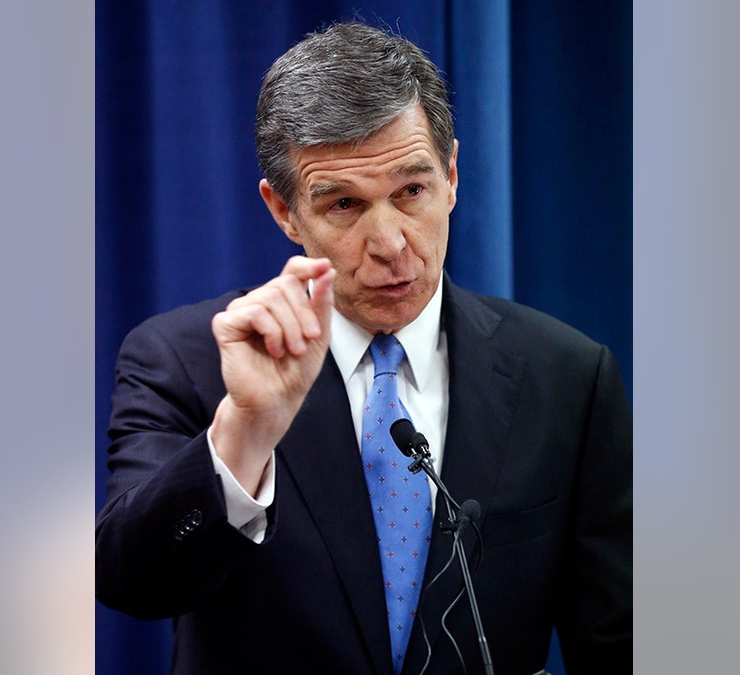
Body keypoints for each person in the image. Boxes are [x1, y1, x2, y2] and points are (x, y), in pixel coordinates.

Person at [96, 22, 631, 675]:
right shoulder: (187, 359)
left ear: (454, 175)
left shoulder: (567, 376)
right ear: (284, 210)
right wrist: (245, 431)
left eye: (412, 191)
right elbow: (131, 581)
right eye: (346, 204)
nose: (391, 244)